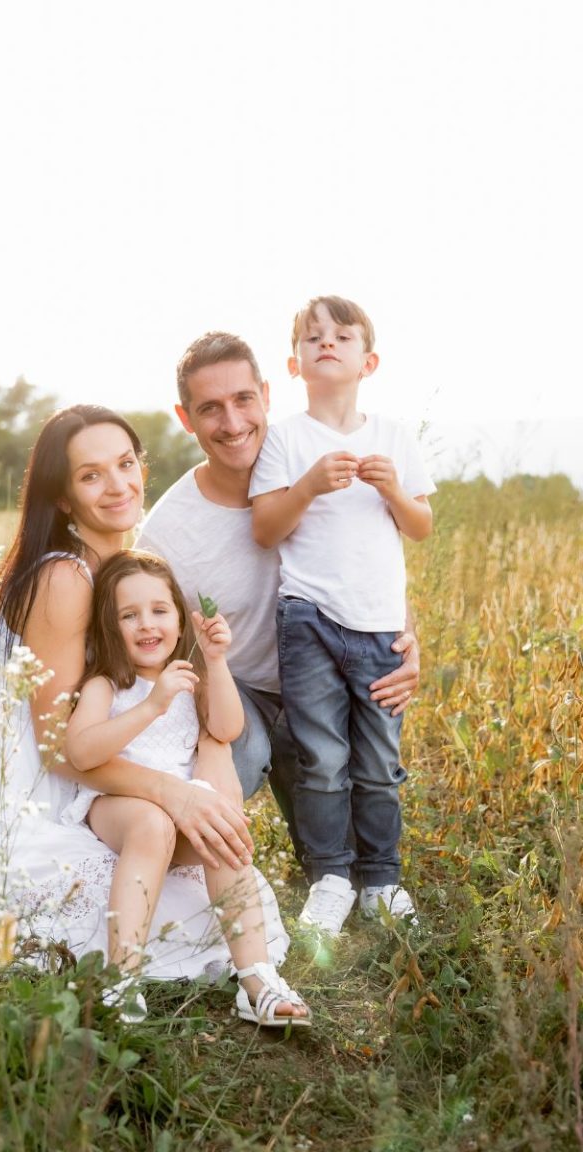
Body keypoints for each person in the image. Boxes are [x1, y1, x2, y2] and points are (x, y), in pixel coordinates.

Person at [0, 404, 279, 985]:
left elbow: (187, 684)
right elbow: (54, 750)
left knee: (217, 855)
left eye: (125, 464)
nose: (118, 485)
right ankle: (122, 980)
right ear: (63, 498)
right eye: (92, 475)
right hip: (47, 789)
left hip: (114, 760)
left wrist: (212, 758)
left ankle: (258, 978)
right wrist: (177, 793)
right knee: (167, 884)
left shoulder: (127, 566)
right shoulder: (65, 578)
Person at [136, 332, 420, 873]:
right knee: (236, 767)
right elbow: (142, 646)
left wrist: (408, 639)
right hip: (240, 692)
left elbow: (372, 559)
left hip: (331, 676)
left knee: (359, 863)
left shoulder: (318, 466)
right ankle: (168, 869)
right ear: (185, 417)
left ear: (267, 394)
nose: (233, 422)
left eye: (244, 399)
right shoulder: (167, 533)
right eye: (210, 409)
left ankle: (337, 862)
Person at [249, 294, 435, 935]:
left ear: (369, 360)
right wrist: (306, 486)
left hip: (380, 623)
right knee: (322, 756)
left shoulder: (393, 437)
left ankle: (381, 879)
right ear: (295, 363)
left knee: (379, 761)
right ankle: (331, 878)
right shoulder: (285, 438)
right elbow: (266, 530)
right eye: (313, 337)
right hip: (307, 618)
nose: (327, 343)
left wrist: (390, 489)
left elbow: (421, 527)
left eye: (342, 336)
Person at [63, 550, 311, 1026]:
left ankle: (255, 978)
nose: (146, 624)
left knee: (220, 828)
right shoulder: (108, 684)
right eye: (128, 615)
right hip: (119, 808)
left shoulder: (190, 678)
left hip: (182, 811)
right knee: (153, 824)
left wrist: (216, 661)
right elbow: (82, 750)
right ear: (109, 628)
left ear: (180, 620)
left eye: (159, 610)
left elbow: (227, 726)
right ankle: (122, 976)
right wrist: (151, 706)